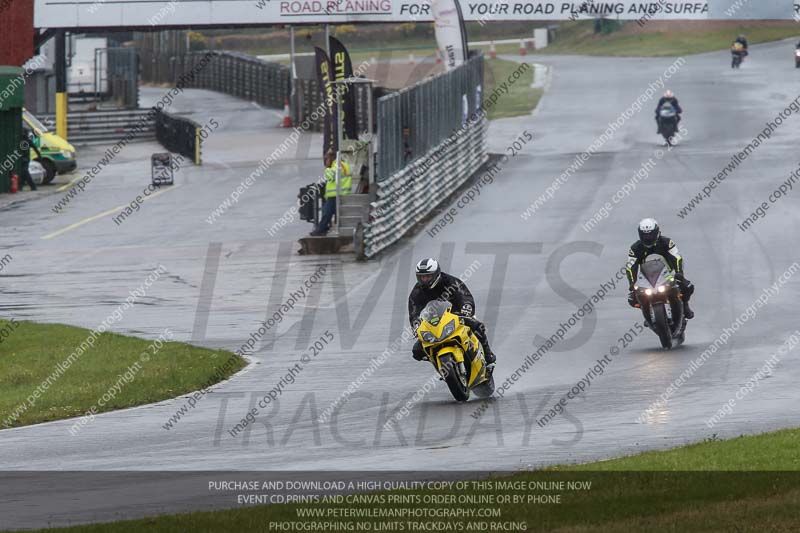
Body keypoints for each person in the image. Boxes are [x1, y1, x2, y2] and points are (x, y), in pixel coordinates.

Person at [408, 258, 496, 367]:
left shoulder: (450, 281)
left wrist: (466, 307)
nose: (424, 279)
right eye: (422, 277)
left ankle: (488, 355)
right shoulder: (417, 291)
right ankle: (439, 363)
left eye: (428, 276)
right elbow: (414, 310)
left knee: (478, 326)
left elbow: (464, 295)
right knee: (417, 352)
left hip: (457, 313)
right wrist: (416, 324)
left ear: (436, 274)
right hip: (434, 321)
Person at [626, 218, 694, 321]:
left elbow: (676, 257)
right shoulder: (635, 248)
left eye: (650, 234)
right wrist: (632, 283)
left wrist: (679, 273)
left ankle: (685, 306)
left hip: (667, 274)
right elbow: (631, 266)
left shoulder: (666, 242)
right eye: (644, 235)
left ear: (657, 232)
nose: (648, 237)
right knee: (633, 298)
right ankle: (648, 313)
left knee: (688, 287)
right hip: (646, 278)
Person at [311, 150, 352, 236]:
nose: (325, 162)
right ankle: (322, 228)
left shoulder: (337, 165)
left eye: (326, 160)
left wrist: (326, 169)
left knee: (327, 212)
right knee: (328, 212)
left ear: (330, 159)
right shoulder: (343, 164)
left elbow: (330, 176)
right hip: (340, 193)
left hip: (336, 194)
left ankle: (320, 230)